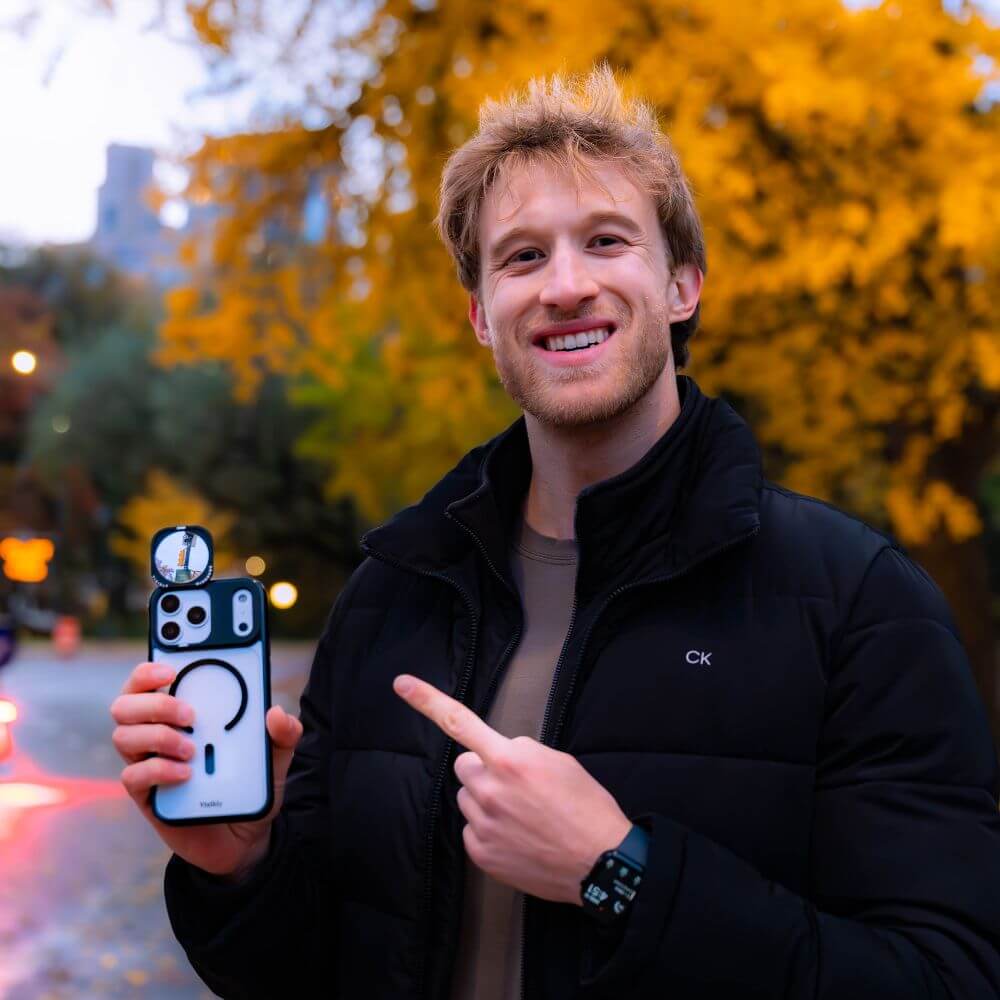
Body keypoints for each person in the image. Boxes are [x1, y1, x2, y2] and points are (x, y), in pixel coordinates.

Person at [110, 64, 1000, 999]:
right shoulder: (392, 596)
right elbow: (305, 971)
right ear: (481, 317)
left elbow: (950, 977)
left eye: (606, 242)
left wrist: (622, 872)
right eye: (522, 257)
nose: (564, 286)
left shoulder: (858, 601)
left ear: (683, 286)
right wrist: (242, 866)